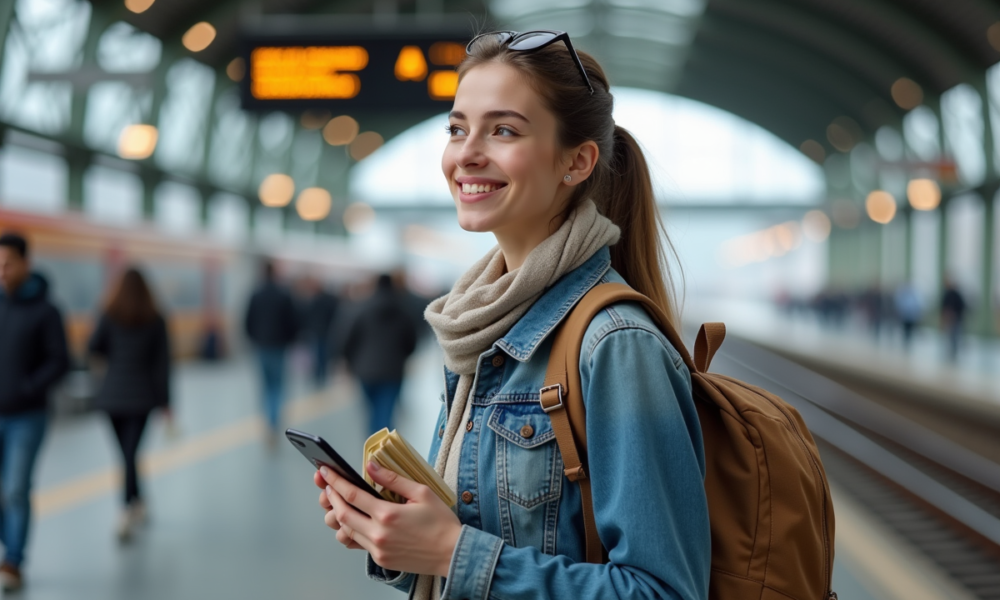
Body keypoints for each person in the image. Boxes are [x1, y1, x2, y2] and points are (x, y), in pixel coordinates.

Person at [313, 30, 710, 600]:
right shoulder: (481, 323)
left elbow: (664, 591)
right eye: (457, 128)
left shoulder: (615, 345)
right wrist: (397, 537)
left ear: (577, 162)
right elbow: (480, 540)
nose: (466, 152)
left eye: (503, 130)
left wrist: (451, 552)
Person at [0, 232, 69, 591]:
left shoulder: (47, 310)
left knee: (15, 488)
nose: (2, 271)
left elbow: (61, 361)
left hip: (28, 416)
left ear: (27, 263)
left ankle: (13, 561)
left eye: (9, 263)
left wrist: (28, 386)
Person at [88, 267, 171, 542]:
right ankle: (128, 508)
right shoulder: (156, 319)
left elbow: (93, 347)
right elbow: (162, 366)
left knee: (126, 455)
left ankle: (135, 502)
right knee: (130, 454)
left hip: (111, 397)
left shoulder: (109, 314)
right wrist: (166, 403)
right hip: (142, 397)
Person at [341, 274, 418, 434]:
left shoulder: (363, 308)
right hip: (392, 371)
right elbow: (411, 343)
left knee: (371, 413)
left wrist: (349, 361)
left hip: (365, 370)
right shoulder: (403, 311)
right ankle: (382, 452)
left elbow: (350, 337)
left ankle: (371, 451)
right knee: (385, 415)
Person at [244, 261, 298, 440]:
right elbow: (292, 321)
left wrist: (254, 338)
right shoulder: (283, 294)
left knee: (266, 386)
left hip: (261, 346)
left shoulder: (255, 294)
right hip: (279, 347)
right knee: (277, 387)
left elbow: (247, 320)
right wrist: (289, 339)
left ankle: (268, 420)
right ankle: (274, 422)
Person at [296, 276, 339, 388]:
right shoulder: (330, 300)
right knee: (322, 356)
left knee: (317, 355)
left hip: (317, 332)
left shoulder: (314, 300)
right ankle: (321, 376)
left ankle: (318, 377)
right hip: (325, 332)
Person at [940, 276, 968, 362]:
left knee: (955, 336)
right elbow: (943, 306)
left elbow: (962, 307)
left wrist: (955, 314)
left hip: (957, 319)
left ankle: (954, 352)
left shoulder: (957, 294)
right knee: (950, 336)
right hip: (949, 320)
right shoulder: (947, 294)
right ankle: (951, 352)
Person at [894, 282, 922, 349]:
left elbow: (917, 305)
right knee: (905, 329)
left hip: (911, 316)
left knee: (910, 329)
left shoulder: (914, 296)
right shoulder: (903, 295)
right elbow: (900, 304)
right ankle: (905, 341)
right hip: (905, 316)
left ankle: (909, 341)